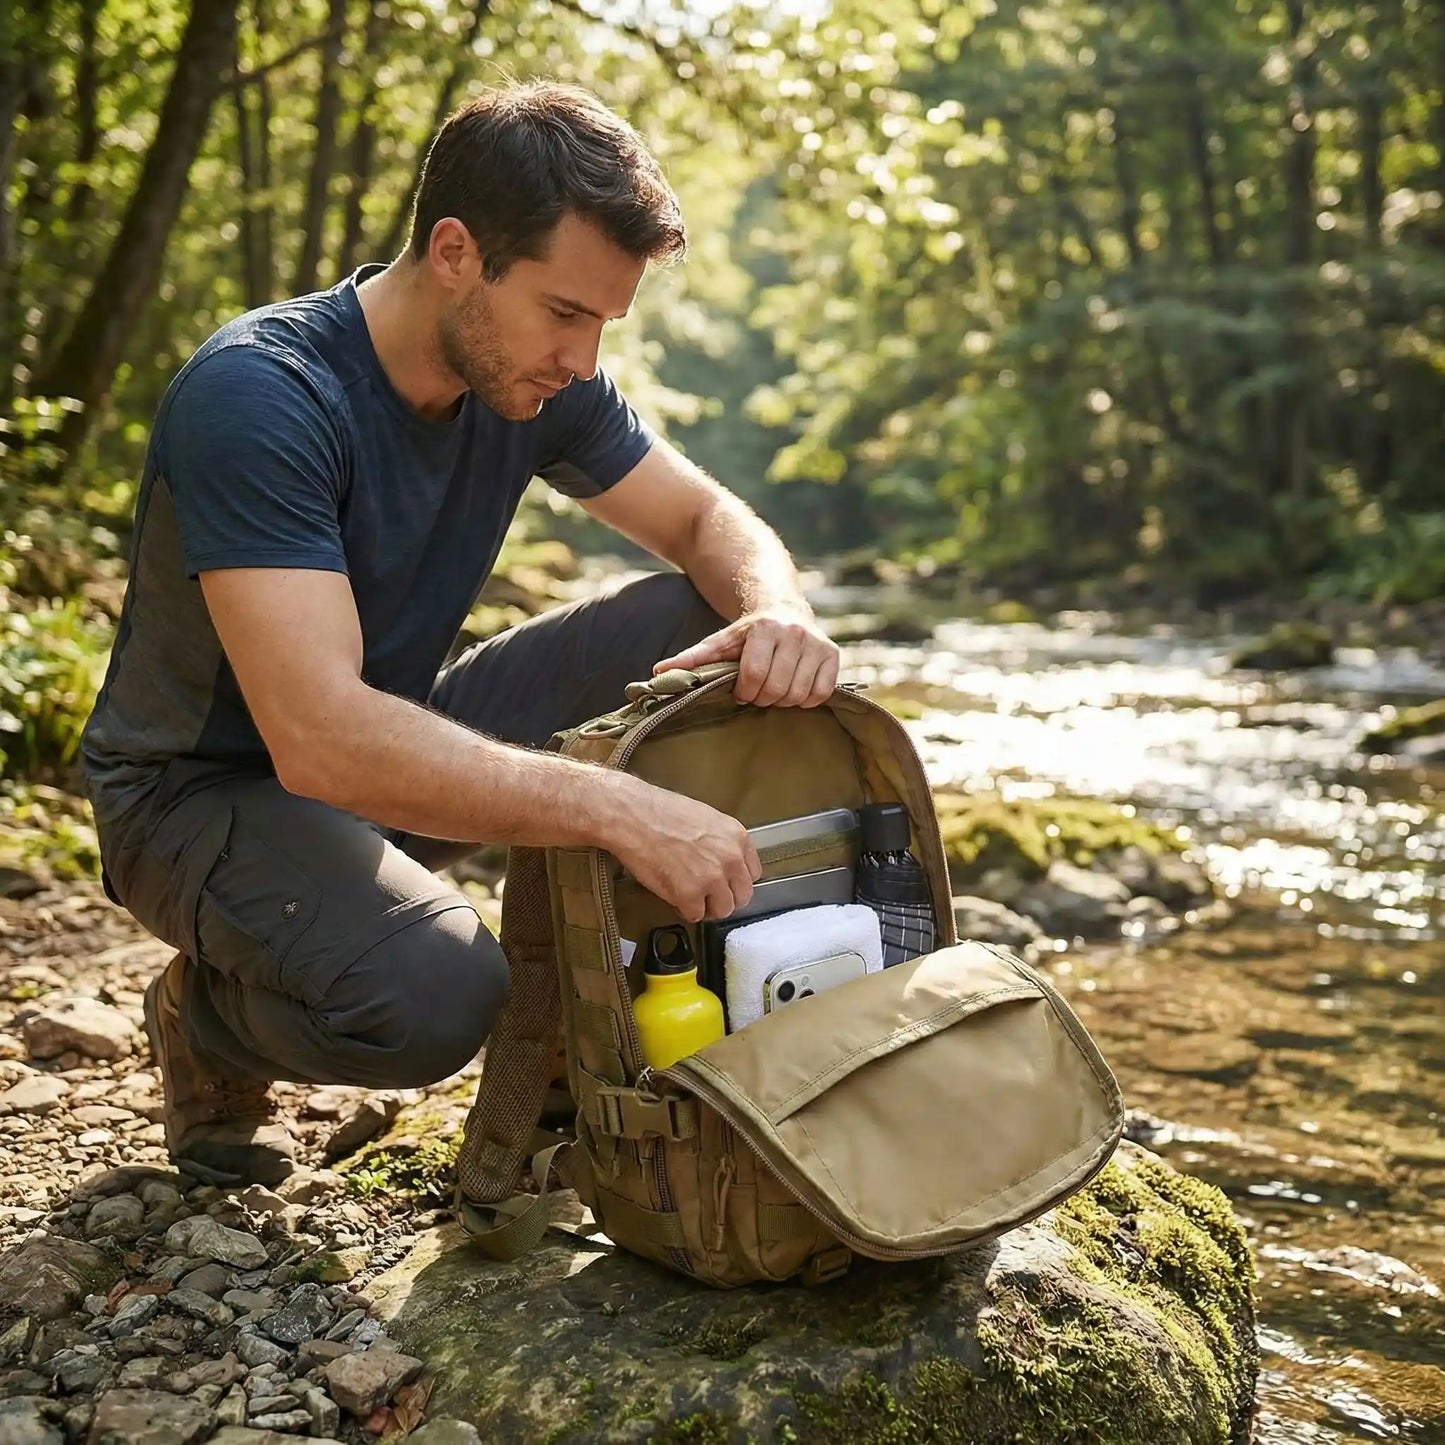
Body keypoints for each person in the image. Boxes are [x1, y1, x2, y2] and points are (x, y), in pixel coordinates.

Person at [80, 80, 840, 1186]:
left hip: (376, 751)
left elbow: (701, 519)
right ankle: (206, 1019)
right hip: (193, 797)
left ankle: (661, 992)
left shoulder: (533, 378)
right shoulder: (260, 397)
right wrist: (620, 808)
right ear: (454, 250)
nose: (582, 359)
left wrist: (778, 609)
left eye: (601, 324)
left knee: (705, 613)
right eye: (564, 311)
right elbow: (320, 740)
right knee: (438, 996)